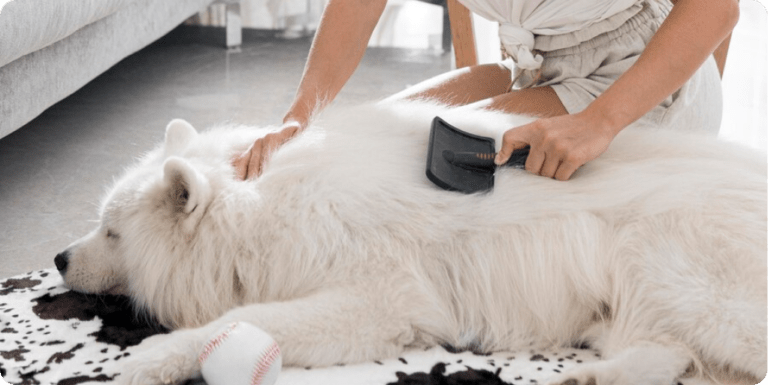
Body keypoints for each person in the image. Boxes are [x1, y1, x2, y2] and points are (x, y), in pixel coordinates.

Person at [233, 0, 738, 181]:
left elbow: (717, 8)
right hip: (537, 62)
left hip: (637, 82)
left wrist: (599, 124)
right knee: (348, 142)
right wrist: (299, 117)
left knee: (407, 163)